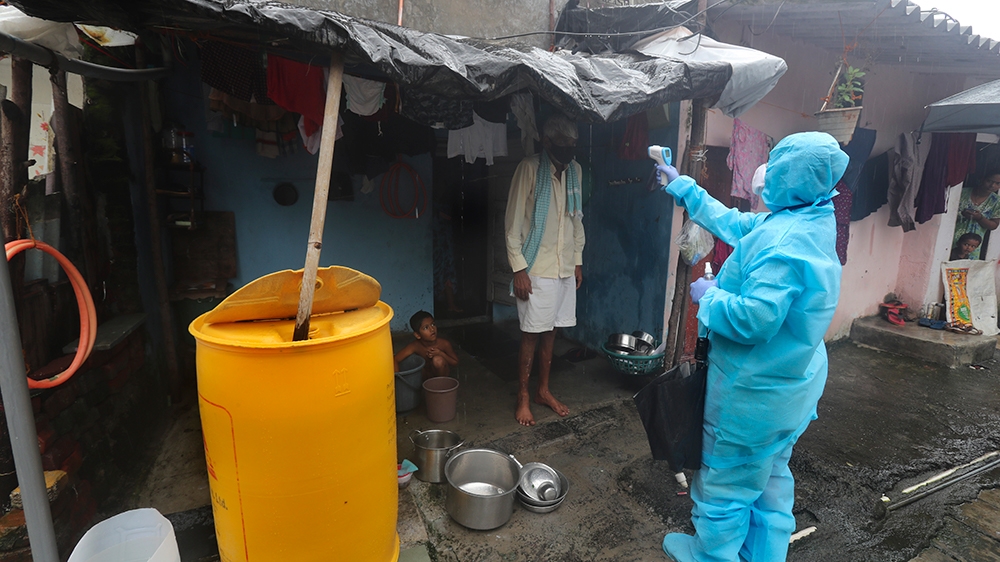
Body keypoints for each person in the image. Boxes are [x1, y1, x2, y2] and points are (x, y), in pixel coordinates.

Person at [655, 131, 849, 562]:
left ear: (787, 177)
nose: (767, 179)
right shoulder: (811, 217)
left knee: (725, 483)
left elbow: (755, 320)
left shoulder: (782, 243)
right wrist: (682, 185)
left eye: (775, 168)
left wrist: (710, 297)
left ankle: (710, 555)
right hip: (792, 387)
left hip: (753, 394)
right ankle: (763, 554)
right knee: (770, 477)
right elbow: (735, 223)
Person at [504, 114, 585, 427]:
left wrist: (577, 260)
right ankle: (523, 396)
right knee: (531, 333)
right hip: (535, 267)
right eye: (564, 144)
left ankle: (543, 390)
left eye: (573, 144)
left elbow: (576, 220)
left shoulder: (575, 171)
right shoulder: (529, 169)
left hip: (564, 266)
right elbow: (512, 224)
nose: (569, 150)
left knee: (552, 331)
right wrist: (518, 269)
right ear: (548, 142)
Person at [393, 311, 458, 379]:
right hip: (425, 376)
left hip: (441, 375)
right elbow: (395, 359)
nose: (432, 329)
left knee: (438, 360)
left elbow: (455, 362)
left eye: (433, 324)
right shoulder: (415, 346)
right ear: (417, 335)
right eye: (426, 328)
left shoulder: (444, 344)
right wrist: (398, 378)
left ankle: (440, 383)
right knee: (417, 367)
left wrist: (440, 353)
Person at [952, 171, 1000, 260]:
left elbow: (994, 225)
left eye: (998, 183)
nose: (992, 185)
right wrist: (961, 214)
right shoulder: (961, 193)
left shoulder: (996, 202)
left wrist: (980, 218)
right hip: (952, 238)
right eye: (989, 181)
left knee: (968, 266)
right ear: (982, 179)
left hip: (973, 245)